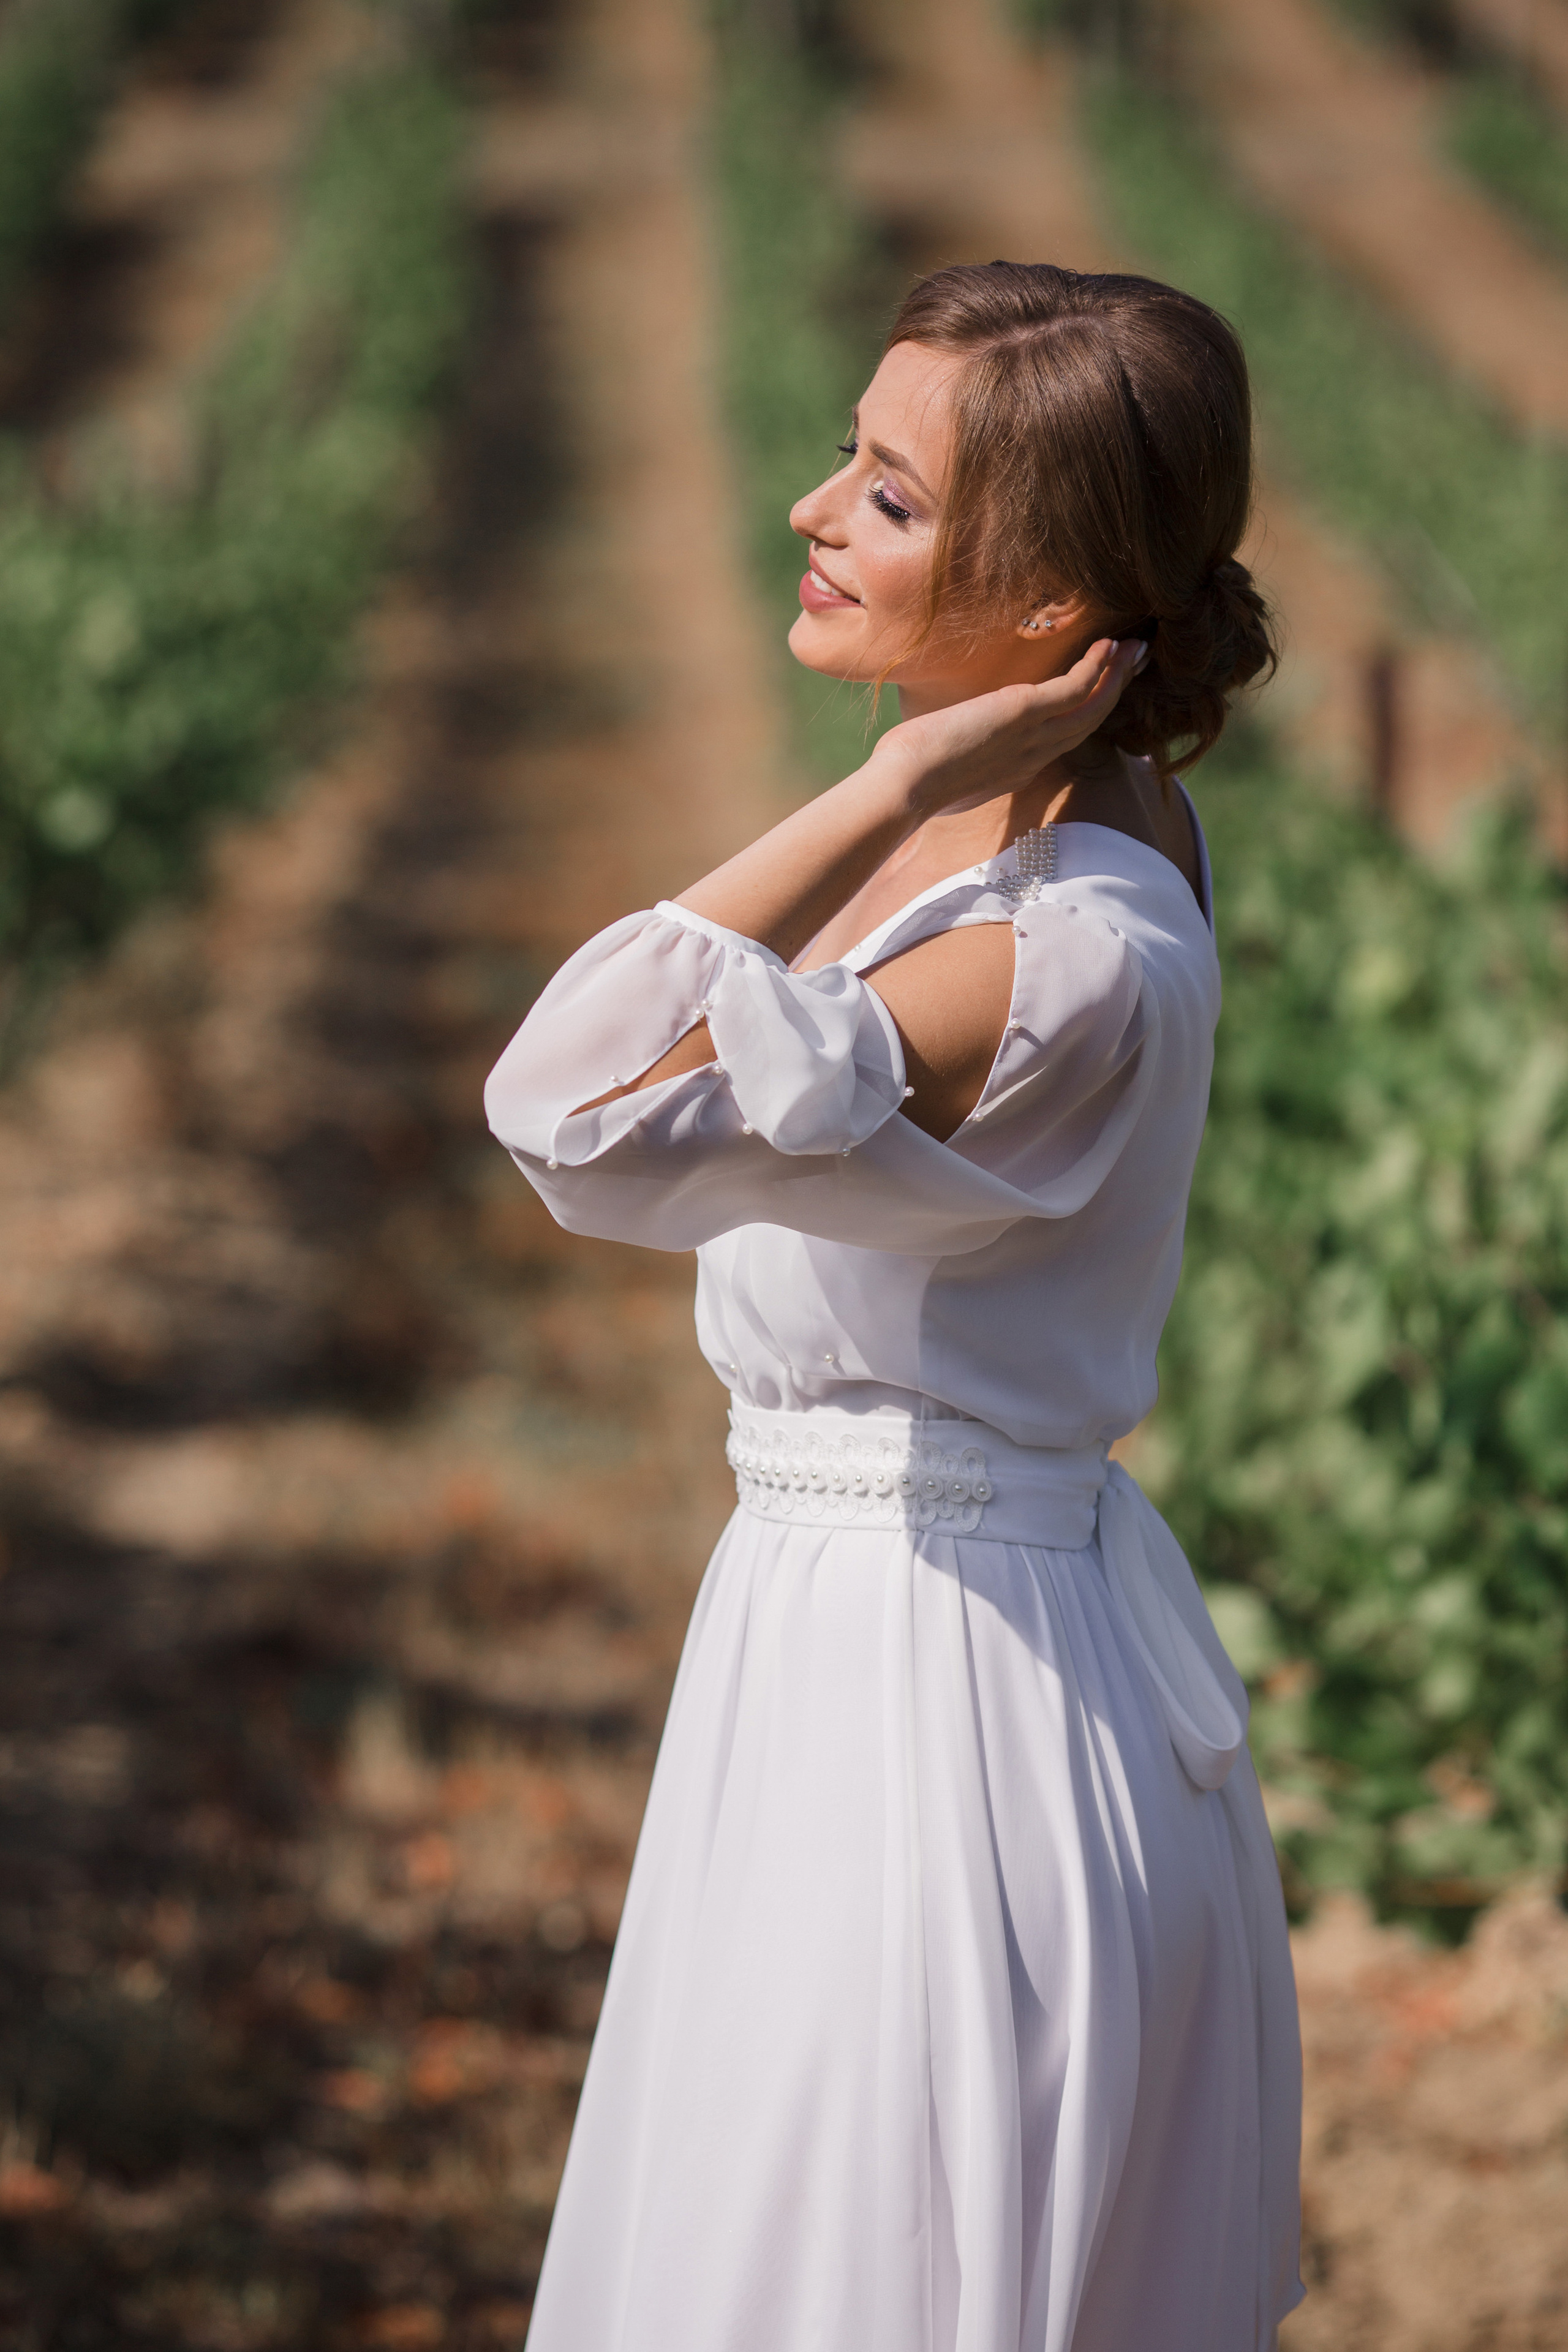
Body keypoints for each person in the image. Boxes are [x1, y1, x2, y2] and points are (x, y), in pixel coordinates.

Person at [486, 262, 1303, 2352]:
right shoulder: (1070, 841)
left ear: (1050, 619)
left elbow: (567, 1109)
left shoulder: (1056, 954)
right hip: (889, 1631)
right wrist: (937, 790)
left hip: (936, 1696)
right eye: (846, 455)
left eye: (888, 491)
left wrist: (886, 784)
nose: (809, 510)